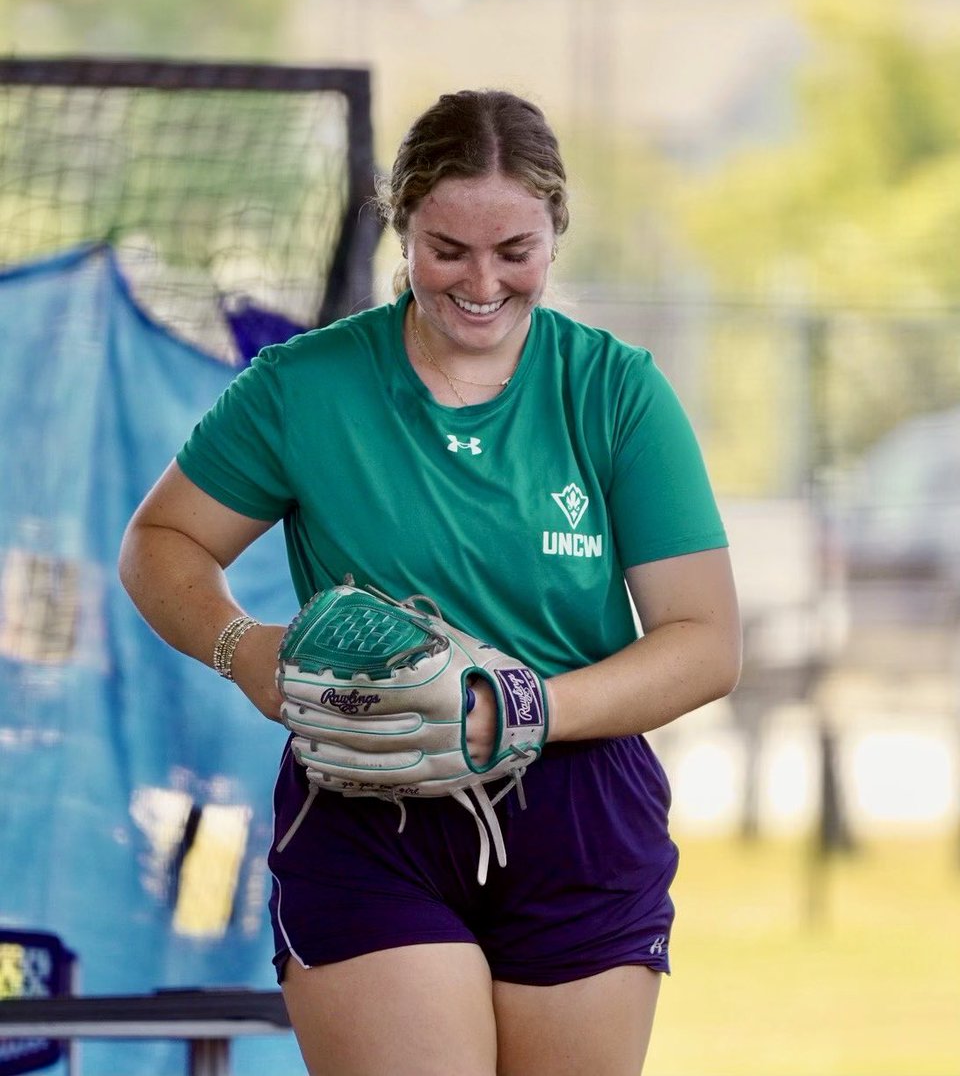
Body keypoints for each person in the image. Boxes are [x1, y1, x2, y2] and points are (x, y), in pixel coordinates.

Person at [118, 88, 741, 1076]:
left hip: (578, 810)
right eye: (448, 249)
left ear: (556, 231)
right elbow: (161, 542)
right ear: (401, 229)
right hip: (368, 802)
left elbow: (704, 642)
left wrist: (521, 710)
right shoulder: (303, 386)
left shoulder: (616, 390)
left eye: (515, 251)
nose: (482, 283)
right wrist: (245, 649)